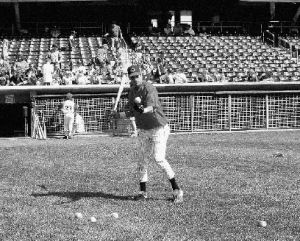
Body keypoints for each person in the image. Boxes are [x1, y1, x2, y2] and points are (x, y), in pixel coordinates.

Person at [114, 65, 183, 203]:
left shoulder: (149, 88)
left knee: (159, 159)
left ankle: (177, 190)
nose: (135, 79)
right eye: (132, 77)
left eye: (137, 76)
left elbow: (151, 108)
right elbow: (131, 112)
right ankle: (142, 192)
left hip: (158, 127)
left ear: (141, 75)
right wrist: (118, 115)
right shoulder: (132, 92)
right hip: (143, 129)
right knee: (142, 161)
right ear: (129, 78)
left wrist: (142, 110)